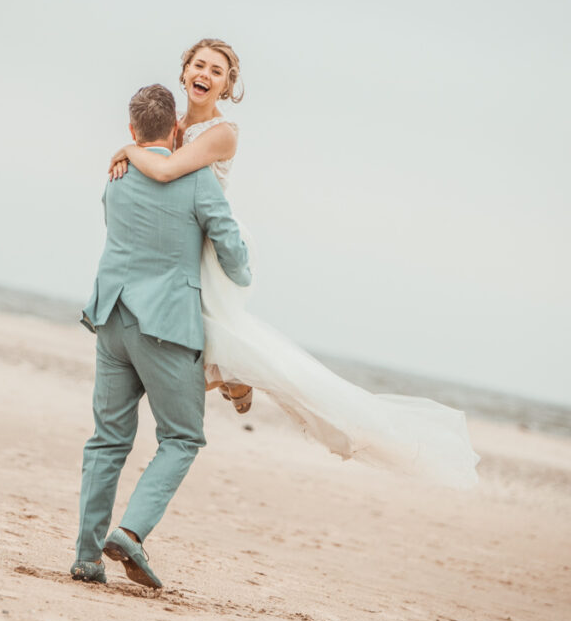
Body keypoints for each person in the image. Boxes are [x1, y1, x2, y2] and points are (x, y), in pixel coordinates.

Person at [108, 39, 480, 489]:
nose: (206, 73)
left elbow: (167, 172)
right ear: (184, 71)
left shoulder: (222, 134)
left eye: (218, 71)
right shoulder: (173, 125)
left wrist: (130, 152)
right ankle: (233, 375)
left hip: (215, 248)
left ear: (226, 86)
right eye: (199, 65)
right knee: (198, 338)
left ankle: (234, 374)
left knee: (202, 338)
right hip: (182, 247)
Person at [71, 84, 251, 588]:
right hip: (167, 327)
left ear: (132, 131)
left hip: (111, 318)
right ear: (175, 129)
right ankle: (130, 532)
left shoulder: (116, 178)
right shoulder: (197, 182)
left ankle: (87, 557)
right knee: (182, 437)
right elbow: (237, 264)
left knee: (108, 441)